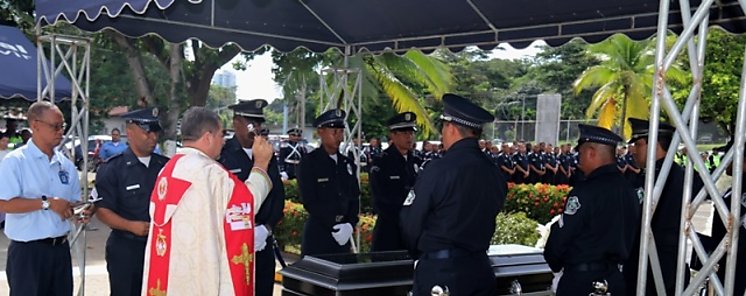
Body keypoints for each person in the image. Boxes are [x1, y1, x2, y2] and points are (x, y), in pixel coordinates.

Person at [140, 106, 274, 295]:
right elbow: (246, 205)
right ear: (208, 137)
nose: (223, 141)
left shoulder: (168, 169)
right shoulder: (211, 173)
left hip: (173, 269)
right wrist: (261, 164)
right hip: (203, 271)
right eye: (221, 135)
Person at [400, 94, 506, 296]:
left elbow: (411, 221)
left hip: (443, 272)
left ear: (451, 128)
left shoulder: (438, 169)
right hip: (480, 269)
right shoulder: (493, 172)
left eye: (443, 127)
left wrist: (422, 255)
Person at [0, 101, 92, 296]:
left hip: (60, 249)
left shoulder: (65, 165)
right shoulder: (16, 161)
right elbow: (4, 203)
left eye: (63, 126)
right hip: (28, 252)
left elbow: (71, 203)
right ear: (35, 125)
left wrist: (79, 212)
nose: (60, 132)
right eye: (55, 126)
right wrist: (47, 203)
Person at [543, 124, 639, 295]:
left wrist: (556, 265)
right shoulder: (629, 189)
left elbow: (563, 235)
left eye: (580, 154)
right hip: (614, 279)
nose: (578, 160)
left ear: (591, 153)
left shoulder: (586, 190)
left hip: (582, 281)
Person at [94, 107, 168, 296]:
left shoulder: (166, 167)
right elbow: (102, 210)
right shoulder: (112, 168)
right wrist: (130, 226)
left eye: (155, 132)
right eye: (147, 131)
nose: (153, 137)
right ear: (130, 131)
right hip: (126, 248)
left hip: (161, 248)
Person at [624, 118, 703, 295]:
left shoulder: (652, 179)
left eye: (638, 144)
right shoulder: (687, 177)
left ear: (655, 144)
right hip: (672, 268)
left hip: (647, 269)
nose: (633, 151)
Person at [219, 99, 285, 296]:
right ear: (236, 123)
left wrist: (267, 228)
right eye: (251, 124)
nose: (256, 129)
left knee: (263, 289)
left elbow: (277, 196)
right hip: (233, 242)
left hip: (262, 240)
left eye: (258, 124)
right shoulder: (222, 154)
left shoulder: (267, 154)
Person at [298, 109, 360, 256]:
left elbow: (354, 197)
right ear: (321, 132)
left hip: (343, 234)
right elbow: (309, 200)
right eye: (334, 131)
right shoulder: (309, 162)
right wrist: (333, 224)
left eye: (341, 132)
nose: (338, 136)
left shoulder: (347, 163)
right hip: (319, 233)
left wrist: (350, 224)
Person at [369, 112, 422, 251]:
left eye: (411, 133)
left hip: (413, 232)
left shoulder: (417, 161)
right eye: (404, 133)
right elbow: (380, 198)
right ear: (393, 135)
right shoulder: (382, 162)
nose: (409, 137)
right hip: (389, 231)